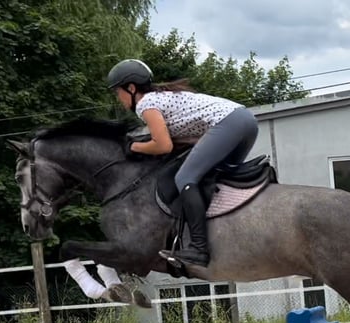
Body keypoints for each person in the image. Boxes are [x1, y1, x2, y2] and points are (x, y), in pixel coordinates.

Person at [106, 59, 259, 266]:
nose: (119, 98)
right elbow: (182, 141)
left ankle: (198, 248)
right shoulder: (160, 98)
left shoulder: (145, 104)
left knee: (185, 178)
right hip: (246, 122)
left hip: (230, 123)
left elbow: (163, 146)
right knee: (209, 177)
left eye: (118, 92)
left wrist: (133, 147)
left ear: (131, 88)